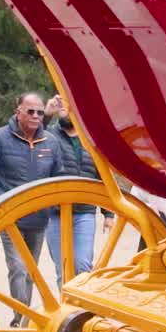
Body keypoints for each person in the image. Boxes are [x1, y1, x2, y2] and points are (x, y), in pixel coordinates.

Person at [0, 92, 65, 325]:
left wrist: (51, 201)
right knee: (18, 268)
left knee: (31, 273)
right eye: (30, 111)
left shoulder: (51, 143)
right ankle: (22, 320)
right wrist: (5, 200)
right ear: (18, 112)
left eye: (40, 112)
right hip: (10, 218)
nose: (35, 116)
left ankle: (22, 317)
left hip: (38, 220)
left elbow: (58, 177)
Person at [43, 94, 115, 284]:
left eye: (69, 106)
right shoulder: (49, 136)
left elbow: (102, 175)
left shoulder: (91, 140)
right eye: (61, 107)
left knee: (83, 266)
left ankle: (82, 311)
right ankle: (67, 312)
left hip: (84, 213)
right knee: (63, 269)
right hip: (55, 213)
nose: (64, 110)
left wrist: (108, 214)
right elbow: (31, 140)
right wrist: (46, 114)